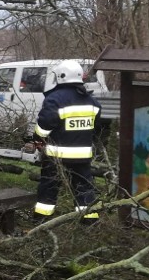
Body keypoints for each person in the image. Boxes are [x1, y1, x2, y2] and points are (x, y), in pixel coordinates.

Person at [33, 60, 102, 222]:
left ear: (61, 77)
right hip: (83, 156)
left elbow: (44, 126)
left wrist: (37, 139)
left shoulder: (54, 99)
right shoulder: (91, 101)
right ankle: (90, 220)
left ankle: (42, 221)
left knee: (49, 186)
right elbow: (97, 125)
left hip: (56, 156)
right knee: (84, 187)